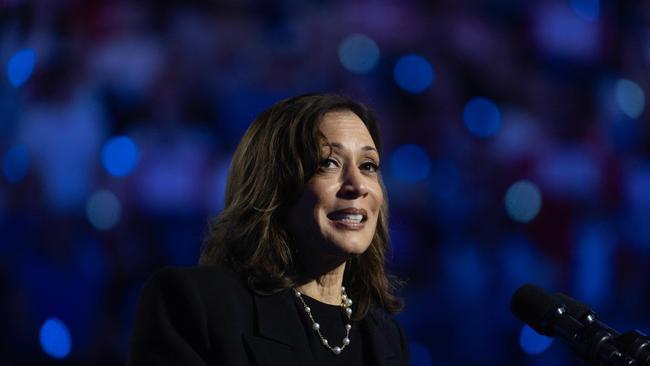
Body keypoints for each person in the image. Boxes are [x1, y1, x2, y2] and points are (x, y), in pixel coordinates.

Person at [128, 94, 409, 366]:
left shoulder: (385, 337)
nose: (357, 185)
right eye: (328, 163)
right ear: (273, 186)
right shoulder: (195, 305)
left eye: (368, 165)